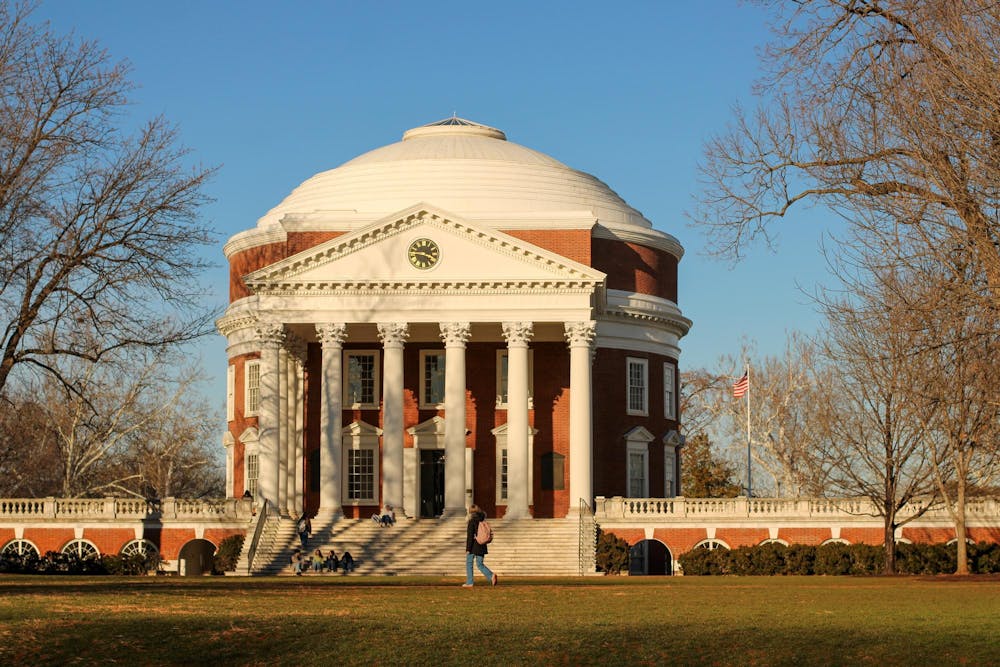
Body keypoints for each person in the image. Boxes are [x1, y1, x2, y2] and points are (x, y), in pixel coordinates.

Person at [463, 504, 497, 588]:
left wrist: (468, 549)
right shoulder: (482, 520)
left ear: (470, 512)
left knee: (469, 563)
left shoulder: (472, 521)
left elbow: (470, 536)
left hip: (474, 545)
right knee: (480, 563)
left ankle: (469, 582)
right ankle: (491, 575)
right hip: (482, 545)